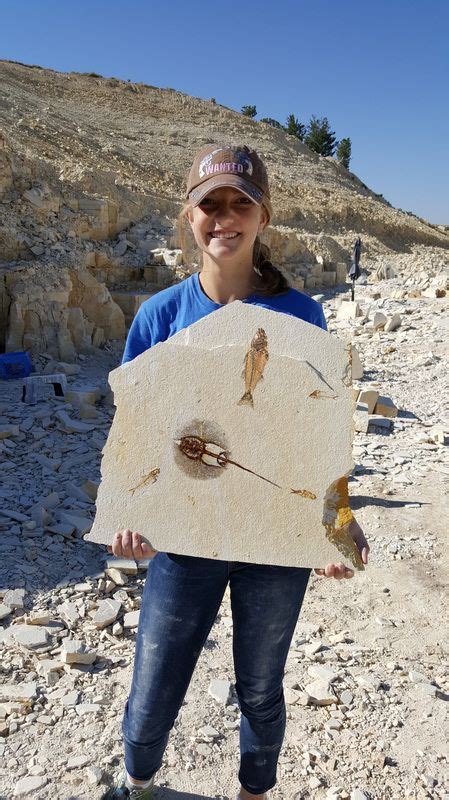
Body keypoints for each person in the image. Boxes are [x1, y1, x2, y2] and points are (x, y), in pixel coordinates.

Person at [103, 144, 369, 800]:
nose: (224, 217)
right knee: (154, 683)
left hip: (271, 545)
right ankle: (136, 786)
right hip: (185, 535)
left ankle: (254, 794)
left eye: (239, 204)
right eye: (209, 204)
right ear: (188, 216)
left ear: (262, 216)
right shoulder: (157, 317)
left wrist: (332, 527)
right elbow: (134, 435)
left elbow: (317, 434)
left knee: (259, 686)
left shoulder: (302, 316)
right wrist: (128, 516)